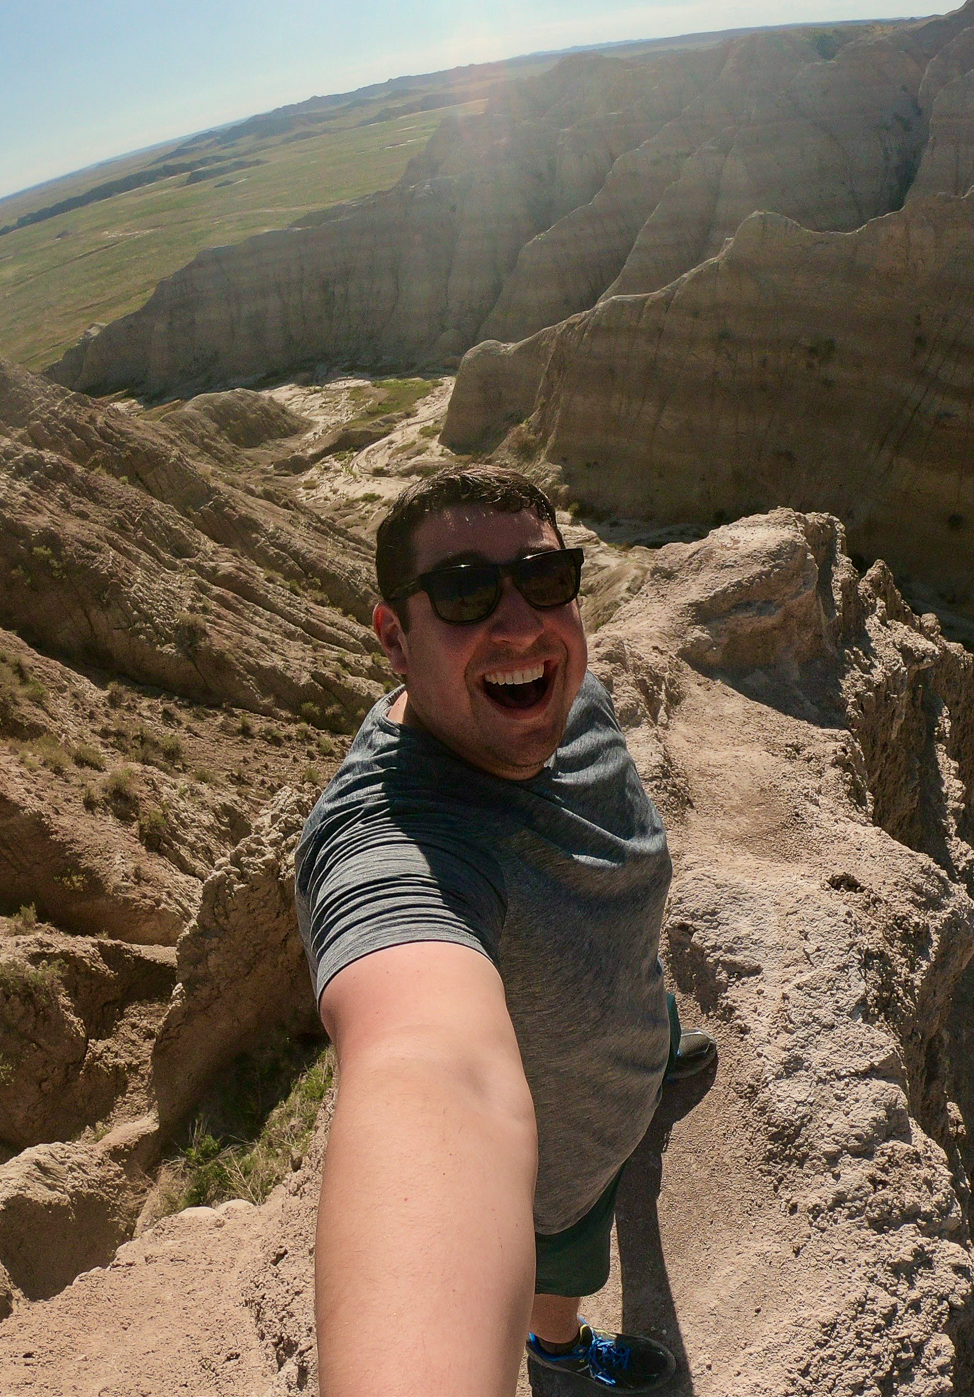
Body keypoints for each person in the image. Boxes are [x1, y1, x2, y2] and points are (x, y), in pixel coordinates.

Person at [293, 464, 716, 1395]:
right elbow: (437, 1071)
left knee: (641, 1022)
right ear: (394, 638)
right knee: (566, 1263)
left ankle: (659, 1053)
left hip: (624, 1040)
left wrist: (641, 1035)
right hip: (559, 1161)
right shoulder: (400, 841)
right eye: (464, 591)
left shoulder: (560, 690)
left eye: (543, 577)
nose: (519, 621)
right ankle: (558, 1357)